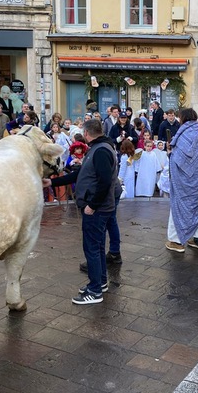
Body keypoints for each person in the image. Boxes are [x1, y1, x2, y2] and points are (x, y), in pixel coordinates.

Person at [72, 119, 120, 305]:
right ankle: (99, 282)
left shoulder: (100, 150)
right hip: (100, 207)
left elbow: (104, 181)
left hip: (97, 209)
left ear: (86, 133)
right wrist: (52, 182)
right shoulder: (100, 147)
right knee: (98, 246)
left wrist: (92, 204)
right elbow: (83, 174)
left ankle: (94, 291)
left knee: (92, 248)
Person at [165, 108, 198, 253]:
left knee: (178, 206)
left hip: (182, 180)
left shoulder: (183, 133)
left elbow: (179, 158)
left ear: (183, 118)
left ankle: (176, 241)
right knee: (197, 206)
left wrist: (170, 153)